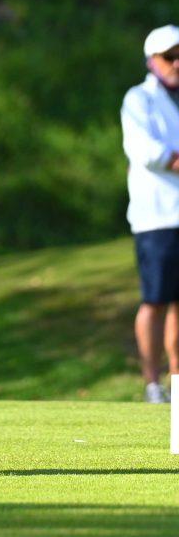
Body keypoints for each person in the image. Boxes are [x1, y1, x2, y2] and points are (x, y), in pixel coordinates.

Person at [121, 24, 179, 404]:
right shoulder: (138, 99)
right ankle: (152, 385)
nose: (177, 63)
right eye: (170, 56)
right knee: (156, 300)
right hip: (156, 216)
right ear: (152, 60)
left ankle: (178, 382)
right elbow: (147, 151)